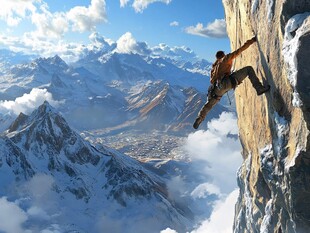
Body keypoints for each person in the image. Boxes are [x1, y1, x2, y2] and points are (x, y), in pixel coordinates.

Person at [193, 36, 270, 129]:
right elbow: (240, 50)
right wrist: (252, 41)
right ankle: (259, 88)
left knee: (208, 106)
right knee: (249, 69)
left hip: (216, 91)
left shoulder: (214, 68)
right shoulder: (225, 59)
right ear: (223, 55)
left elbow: (212, 80)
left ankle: (200, 118)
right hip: (227, 82)